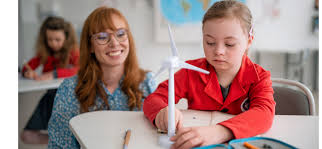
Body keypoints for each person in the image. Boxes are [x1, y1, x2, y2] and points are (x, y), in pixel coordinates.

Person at [143, 1, 276, 149]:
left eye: (229, 44)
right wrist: (162, 111)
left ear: (249, 41)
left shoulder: (260, 77)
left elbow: (264, 113)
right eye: (210, 42)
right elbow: (153, 99)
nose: (218, 51)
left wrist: (221, 131)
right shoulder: (190, 71)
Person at [47, 7, 156, 148]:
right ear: (90, 46)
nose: (115, 43)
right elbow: (59, 145)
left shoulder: (146, 82)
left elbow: (158, 138)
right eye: (103, 37)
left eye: (121, 34)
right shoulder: (69, 89)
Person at [20, 16, 80, 144]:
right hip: (50, 98)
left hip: (70, 98)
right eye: (50, 40)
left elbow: (79, 69)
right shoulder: (45, 54)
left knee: (75, 130)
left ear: (66, 38)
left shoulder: (73, 52)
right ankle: (61, 141)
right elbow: (27, 66)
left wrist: (54, 74)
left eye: (58, 40)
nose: (53, 43)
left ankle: (66, 141)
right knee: (26, 135)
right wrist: (27, 72)